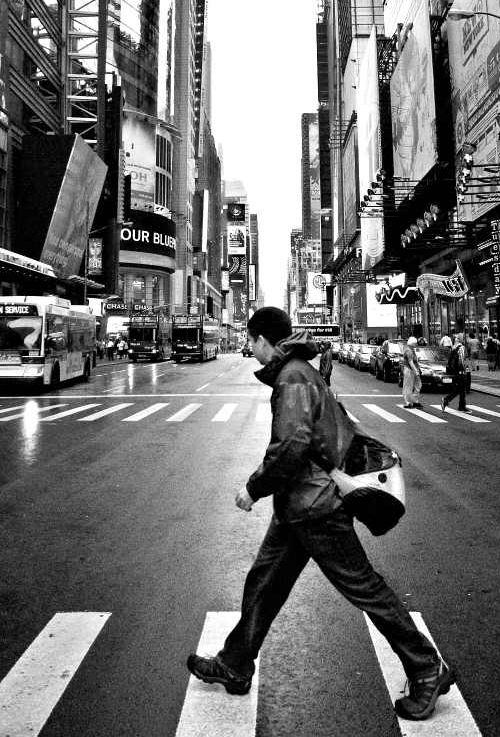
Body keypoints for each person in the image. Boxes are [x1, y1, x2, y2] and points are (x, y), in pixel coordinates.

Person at [186, 307, 454, 722]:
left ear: (262, 341)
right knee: (264, 583)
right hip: (299, 506)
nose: (249, 348)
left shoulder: (292, 376)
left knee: (362, 586)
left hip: (315, 507)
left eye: (250, 341)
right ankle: (235, 664)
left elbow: (292, 445)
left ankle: (426, 666)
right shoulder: (300, 370)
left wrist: (253, 488)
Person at [441, 333, 468, 412]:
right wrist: (464, 369)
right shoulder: (461, 347)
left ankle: (461, 406)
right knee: (461, 388)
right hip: (460, 371)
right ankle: (447, 400)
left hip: (455, 371)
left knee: (461, 388)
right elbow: (461, 360)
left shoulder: (454, 347)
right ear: (462, 339)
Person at [401, 336, 422, 409]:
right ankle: (408, 402)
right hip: (410, 370)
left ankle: (413, 400)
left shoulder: (412, 349)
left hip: (414, 369)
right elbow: (410, 362)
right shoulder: (409, 351)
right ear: (412, 343)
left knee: (418, 385)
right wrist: (416, 371)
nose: (416, 344)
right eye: (415, 343)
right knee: (408, 386)